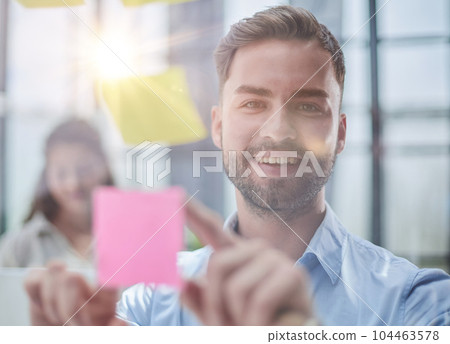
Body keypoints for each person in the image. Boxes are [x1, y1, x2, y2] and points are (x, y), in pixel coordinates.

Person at [24, 6, 450, 326]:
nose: (278, 130)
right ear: (219, 126)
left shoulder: (416, 303)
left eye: (307, 105)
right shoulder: (150, 302)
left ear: (340, 132)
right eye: (252, 103)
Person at [0, 119, 114, 268]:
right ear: (47, 175)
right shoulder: (19, 246)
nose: (73, 184)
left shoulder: (130, 238)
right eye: (61, 173)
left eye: (84, 170)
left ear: (103, 168)